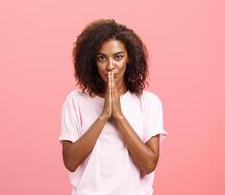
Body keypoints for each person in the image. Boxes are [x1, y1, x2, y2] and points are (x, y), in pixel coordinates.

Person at [59, 19, 169, 195]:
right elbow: (70, 162)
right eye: (102, 58)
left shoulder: (148, 102)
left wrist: (118, 116)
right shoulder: (75, 101)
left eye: (118, 57)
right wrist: (103, 116)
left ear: (129, 58)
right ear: (92, 61)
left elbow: (149, 164)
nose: (110, 66)